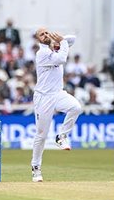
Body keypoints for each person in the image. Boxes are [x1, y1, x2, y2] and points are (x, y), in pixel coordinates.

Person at [30, 28, 84, 182]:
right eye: (42, 34)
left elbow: (72, 38)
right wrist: (63, 43)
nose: (45, 35)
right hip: (43, 97)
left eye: (47, 33)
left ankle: (62, 136)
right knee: (41, 135)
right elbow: (61, 60)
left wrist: (61, 40)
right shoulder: (42, 54)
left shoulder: (57, 48)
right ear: (38, 39)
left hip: (58, 93)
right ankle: (36, 168)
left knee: (76, 107)